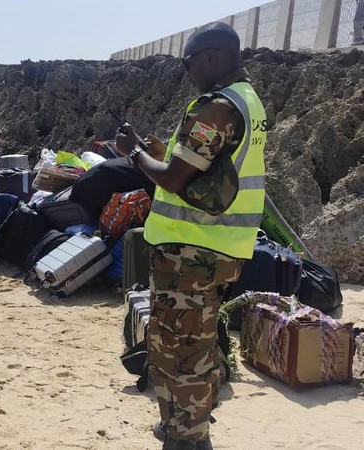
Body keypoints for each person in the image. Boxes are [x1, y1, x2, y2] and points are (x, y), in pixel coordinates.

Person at [114, 22, 266, 450]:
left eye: (189, 61)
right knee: (191, 346)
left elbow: (177, 178)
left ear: (213, 56)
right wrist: (164, 155)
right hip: (219, 248)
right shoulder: (249, 102)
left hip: (192, 252)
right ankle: (187, 432)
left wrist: (135, 155)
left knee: (181, 353)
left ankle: (187, 439)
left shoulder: (215, 106)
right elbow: (211, 171)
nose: (187, 71)